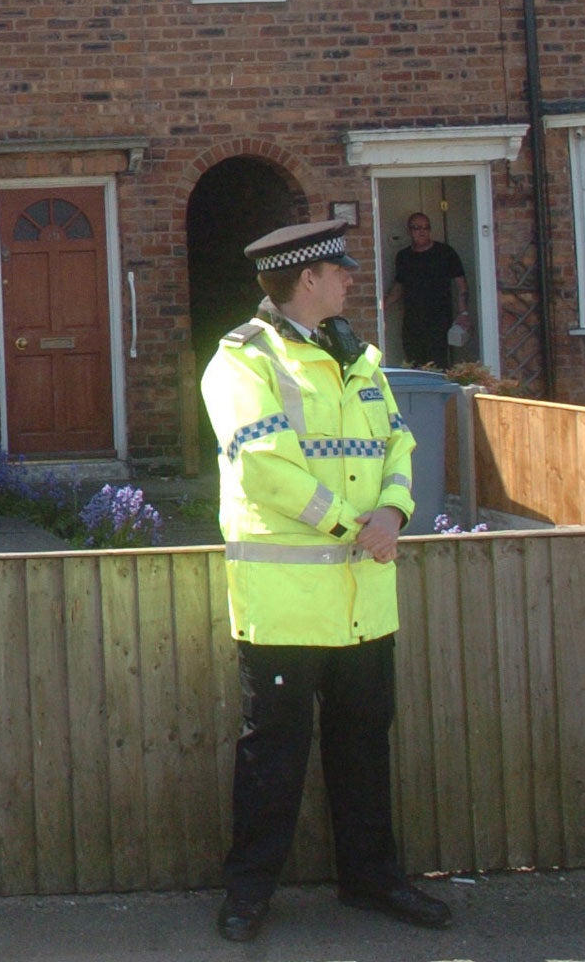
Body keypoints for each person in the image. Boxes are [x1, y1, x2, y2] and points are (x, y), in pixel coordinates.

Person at [198, 219, 450, 943]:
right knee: (272, 756)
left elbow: (398, 441)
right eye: (339, 270)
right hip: (285, 605)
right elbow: (264, 468)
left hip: (364, 602)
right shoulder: (243, 362)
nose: (349, 278)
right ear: (306, 278)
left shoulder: (359, 357)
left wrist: (396, 509)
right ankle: (248, 892)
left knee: (364, 746)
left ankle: (373, 882)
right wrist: (355, 525)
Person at [384, 213, 469, 368]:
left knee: (439, 366)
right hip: (412, 323)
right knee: (414, 366)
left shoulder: (445, 253)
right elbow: (399, 287)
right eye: (417, 228)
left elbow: (461, 284)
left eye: (426, 227)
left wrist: (463, 313)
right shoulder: (403, 257)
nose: (422, 231)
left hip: (439, 322)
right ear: (409, 231)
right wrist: (380, 308)